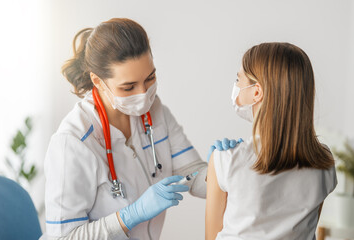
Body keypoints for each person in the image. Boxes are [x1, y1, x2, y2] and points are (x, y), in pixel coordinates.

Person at [42, 18, 236, 240]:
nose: (144, 94)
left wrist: (222, 171)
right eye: (128, 87)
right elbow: (63, 237)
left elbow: (191, 173)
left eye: (150, 78)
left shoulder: (154, 111)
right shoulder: (72, 142)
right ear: (97, 81)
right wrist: (130, 216)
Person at [205, 42, 337, 240]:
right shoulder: (324, 162)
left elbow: (211, 237)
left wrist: (215, 166)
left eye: (238, 79)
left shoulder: (225, 160)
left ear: (257, 92)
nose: (236, 87)